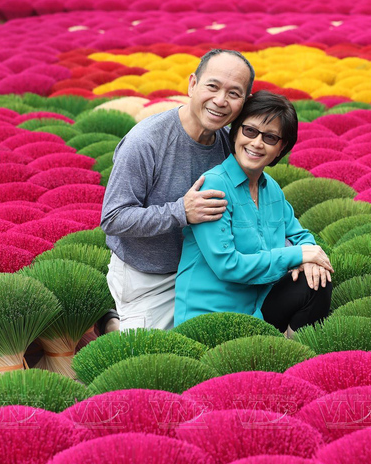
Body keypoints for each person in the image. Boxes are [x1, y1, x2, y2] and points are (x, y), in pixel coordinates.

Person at [100, 49, 255, 331]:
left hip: (206, 270)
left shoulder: (230, 145)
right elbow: (113, 218)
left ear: (245, 102)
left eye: (234, 94)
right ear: (192, 84)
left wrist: (298, 251)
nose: (220, 101)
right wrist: (181, 211)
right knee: (152, 359)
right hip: (149, 277)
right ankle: (111, 321)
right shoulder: (146, 141)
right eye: (213, 86)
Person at [174, 91, 333, 337]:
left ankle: (293, 360)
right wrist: (298, 254)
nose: (257, 143)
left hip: (257, 306)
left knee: (317, 281)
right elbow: (227, 266)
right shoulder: (214, 186)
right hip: (212, 317)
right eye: (250, 131)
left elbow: (300, 235)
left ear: (281, 149)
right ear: (235, 132)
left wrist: (310, 257)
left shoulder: (271, 189)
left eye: (270, 138)